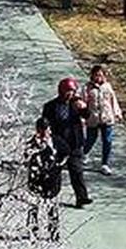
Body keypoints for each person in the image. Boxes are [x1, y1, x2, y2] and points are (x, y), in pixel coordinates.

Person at [40, 78, 92, 206]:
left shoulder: (76, 104)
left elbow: (87, 115)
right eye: (68, 91)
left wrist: (84, 108)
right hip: (58, 145)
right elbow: (45, 123)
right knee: (54, 172)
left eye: (73, 91)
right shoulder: (50, 106)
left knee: (77, 171)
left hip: (74, 143)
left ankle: (82, 197)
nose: (71, 94)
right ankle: (51, 195)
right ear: (62, 91)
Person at [23, 119, 63, 238]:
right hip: (36, 179)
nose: (44, 132)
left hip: (52, 179)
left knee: (52, 207)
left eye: (46, 129)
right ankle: (32, 231)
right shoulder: (31, 143)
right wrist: (37, 146)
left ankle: (54, 232)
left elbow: (65, 152)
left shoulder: (56, 141)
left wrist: (58, 164)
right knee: (34, 207)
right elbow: (26, 156)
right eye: (41, 129)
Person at [84, 64, 123, 172]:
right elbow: (83, 102)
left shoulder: (107, 87)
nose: (98, 78)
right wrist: (83, 116)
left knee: (107, 140)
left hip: (107, 117)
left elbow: (112, 100)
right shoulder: (87, 88)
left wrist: (117, 112)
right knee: (90, 139)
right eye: (96, 75)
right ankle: (84, 153)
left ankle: (105, 163)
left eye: (100, 75)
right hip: (93, 118)